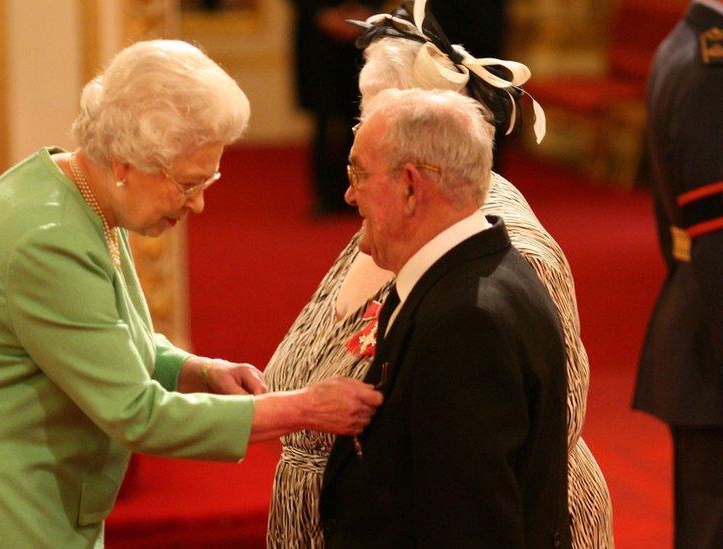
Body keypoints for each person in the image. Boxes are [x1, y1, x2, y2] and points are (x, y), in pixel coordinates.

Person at [0, 40, 383, 548]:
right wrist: (302, 408)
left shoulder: (88, 190)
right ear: (126, 161)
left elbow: (113, 334)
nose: (200, 204)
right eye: (188, 183)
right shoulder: (49, 239)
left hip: (30, 481)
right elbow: (138, 415)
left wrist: (196, 369)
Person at [265, 4, 613, 547]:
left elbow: (532, 440)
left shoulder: (497, 263)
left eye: (371, 141)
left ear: (422, 160)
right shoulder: (400, 229)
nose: (350, 184)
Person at [320, 86, 569, 546]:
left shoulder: (468, 322)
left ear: (411, 186)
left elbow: (470, 524)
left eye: (358, 173)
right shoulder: (472, 277)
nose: (349, 194)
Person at [633, 1, 723, 546]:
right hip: (713, 348)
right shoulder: (712, 70)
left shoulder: (685, 46)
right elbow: (715, 241)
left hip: (700, 327)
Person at [289, 0, 384, 215]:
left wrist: (367, 11)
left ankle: (360, 191)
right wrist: (321, 13)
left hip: (362, 38)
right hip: (318, 42)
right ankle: (324, 195)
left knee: (363, 118)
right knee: (323, 122)